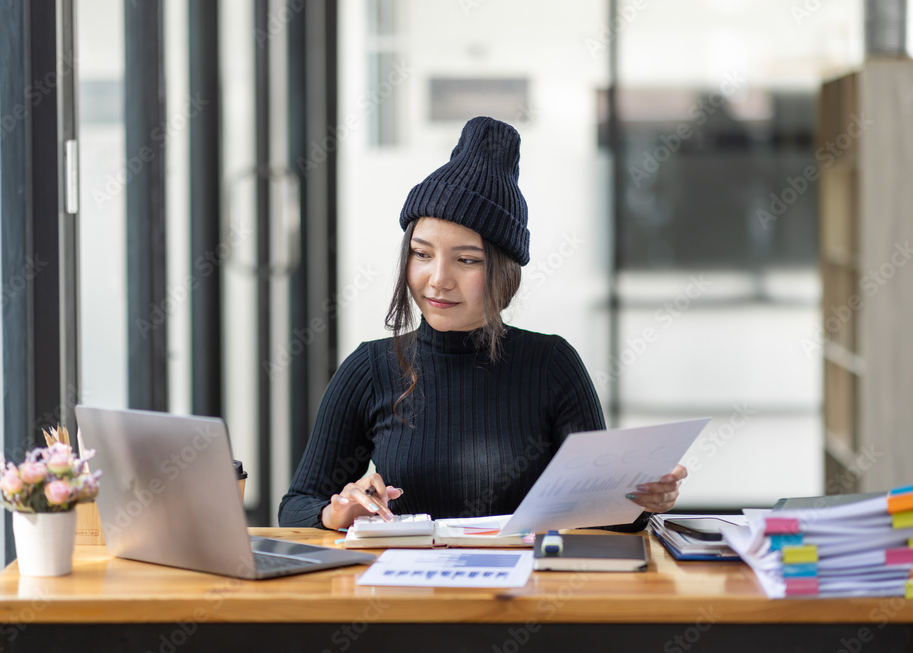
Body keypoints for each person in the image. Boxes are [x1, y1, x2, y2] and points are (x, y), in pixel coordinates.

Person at [278, 116, 687, 531]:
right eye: (422, 254)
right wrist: (338, 511)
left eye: (467, 260)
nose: (438, 279)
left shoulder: (551, 365)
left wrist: (643, 501)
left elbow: (604, 514)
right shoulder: (369, 368)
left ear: (505, 272)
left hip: (525, 573)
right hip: (406, 572)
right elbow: (296, 506)